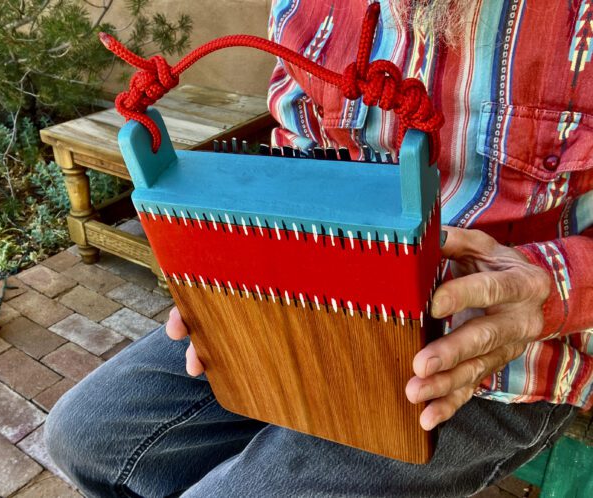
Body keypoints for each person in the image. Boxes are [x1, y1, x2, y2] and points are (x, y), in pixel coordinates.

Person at [45, 0, 592, 496]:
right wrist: (233, 265)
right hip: (309, 302)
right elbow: (300, 146)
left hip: (507, 352)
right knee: (84, 437)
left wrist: (549, 289)